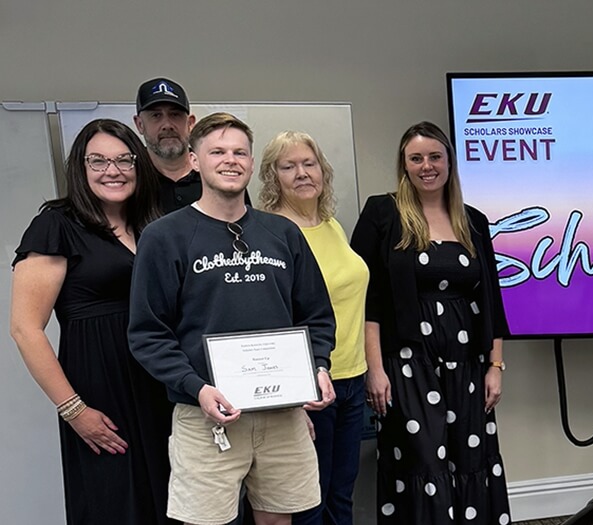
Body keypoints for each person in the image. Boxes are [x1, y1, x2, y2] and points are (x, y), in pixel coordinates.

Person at [128, 112, 338, 525]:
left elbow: (315, 314)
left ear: (251, 159)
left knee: (279, 519)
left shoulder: (282, 234)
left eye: (240, 151)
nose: (231, 160)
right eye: (218, 151)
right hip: (205, 414)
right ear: (193, 160)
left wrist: (318, 367)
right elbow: (148, 333)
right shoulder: (164, 237)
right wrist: (197, 388)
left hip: (283, 415)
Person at [10, 119, 171, 524]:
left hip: (160, 386)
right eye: (97, 160)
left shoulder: (154, 225)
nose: (112, 170)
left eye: (123, 160)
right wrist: (74, 410)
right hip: (99, 389)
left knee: (171, 502)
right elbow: (25, 329)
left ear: (140, 164)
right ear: (80, 169)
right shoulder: (56, 224)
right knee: (114, 503)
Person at [351, 121, 511, 524]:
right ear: (403, 165)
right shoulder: (382, 213)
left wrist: (495, 365)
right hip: (408, 364)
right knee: (422, 460)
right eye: (416, 158)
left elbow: (491, 297)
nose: (427, 166)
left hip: (467, 366)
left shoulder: (472, 220)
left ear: (449, 162)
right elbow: (366, 300)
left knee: (471, 456)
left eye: (435, 157)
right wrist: (375, 370)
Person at [258, 131, 370, 525]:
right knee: (310, 501)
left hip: (352, 378)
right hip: (310, 390)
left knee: (341, 494)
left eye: (309, 163)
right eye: (289, 166)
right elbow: (271, 320)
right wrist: (293, 399)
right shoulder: (272, 235)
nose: (302, 173)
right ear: (273, 177)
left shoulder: (330, 225)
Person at [134, 77, 249, 213]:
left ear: (190, 123)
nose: (167, 125)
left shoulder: (217, 171)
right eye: (156, 116)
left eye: (175, 115)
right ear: (139, 124)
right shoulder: (130, 176)